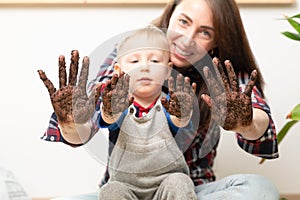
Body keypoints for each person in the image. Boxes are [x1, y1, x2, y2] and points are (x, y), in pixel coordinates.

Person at [38, 0, 279, 199]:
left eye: (204, 32)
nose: (186, 39)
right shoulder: (132, 51)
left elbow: (260, 127)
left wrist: (245, 121)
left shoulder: (223, 73)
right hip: (124, 191)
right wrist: (70, 120)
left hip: (187, 190)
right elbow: (83, 130)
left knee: (261, 189)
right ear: (171, 14)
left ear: (216, 42)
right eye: (183, 22)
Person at [98, 25, 197, 200]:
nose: (144, 67)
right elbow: (108, 119)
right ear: (119, 71)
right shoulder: (118, 104)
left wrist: (181, 112)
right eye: (134, 61)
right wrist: (109, 109)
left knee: (180, 182)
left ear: (167, 70)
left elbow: (179, 121)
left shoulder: (169, 103)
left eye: (154, 61)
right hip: (126, 186)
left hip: (165, 182)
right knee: (110, 191)